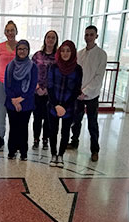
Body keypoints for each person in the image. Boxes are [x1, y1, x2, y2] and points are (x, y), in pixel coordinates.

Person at [67, 25, 107, 162]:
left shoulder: (101, 54)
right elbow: (75, 73)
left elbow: (98, 77)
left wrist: (86, 92)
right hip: (78, 95)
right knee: (76, 120)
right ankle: (74, 142)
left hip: (92, 95)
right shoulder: (80, 53)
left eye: (91, 34)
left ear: (96, 36)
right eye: (86, 34)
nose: (88, 37)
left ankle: (95, 150)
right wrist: (77, 91)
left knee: (92, 123)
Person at [47, 40, 82, 168]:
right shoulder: (53, 67)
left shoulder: (78, 69)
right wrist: (56, 105)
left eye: (68, 51)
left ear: (72, 52)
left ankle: (60, 155)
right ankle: (53, 154)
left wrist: (64, 107)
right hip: (53, 105)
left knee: (65, 132)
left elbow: (76, 90)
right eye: (63, 50)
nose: (65, 53)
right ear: (59, 52)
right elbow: (49, 87)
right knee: (53, 131)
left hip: (69, 106)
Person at [4, 40, 38, 161]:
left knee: (23, 127)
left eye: (24, 49)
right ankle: (12, 151)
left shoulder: (33, 66)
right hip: (11, 102)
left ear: (28, 51)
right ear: (16, 51)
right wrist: (14, 100)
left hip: (26, 102)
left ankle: (23, 152)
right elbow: (6, 85)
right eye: (20, 49)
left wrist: (21, 99)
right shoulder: (10, 66)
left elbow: (33, 85)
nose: (22, 51)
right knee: (13, 127)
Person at [31, 30, 58, 151]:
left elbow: (59, 75)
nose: (50, 40)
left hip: (51, 93)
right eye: (48, 37)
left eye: (53, 38)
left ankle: (45, 139)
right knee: (37, 117)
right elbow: (31, 72)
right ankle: (36, 139)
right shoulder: (37, 55)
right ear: (45, 39)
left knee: (48, 118)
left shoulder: (58, 57)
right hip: (37, 92)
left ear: (56, 40)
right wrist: (37, 87)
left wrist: (48, 89)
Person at [0, 20, 18, 151]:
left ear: (16, 31)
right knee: (1, 111)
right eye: (8, 30)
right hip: (1, 83)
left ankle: (14, 138)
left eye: (12, 30)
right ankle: (1, 137)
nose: (10, 33)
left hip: (16, 85)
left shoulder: (21, 46)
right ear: (5, 32)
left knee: (15, 112)